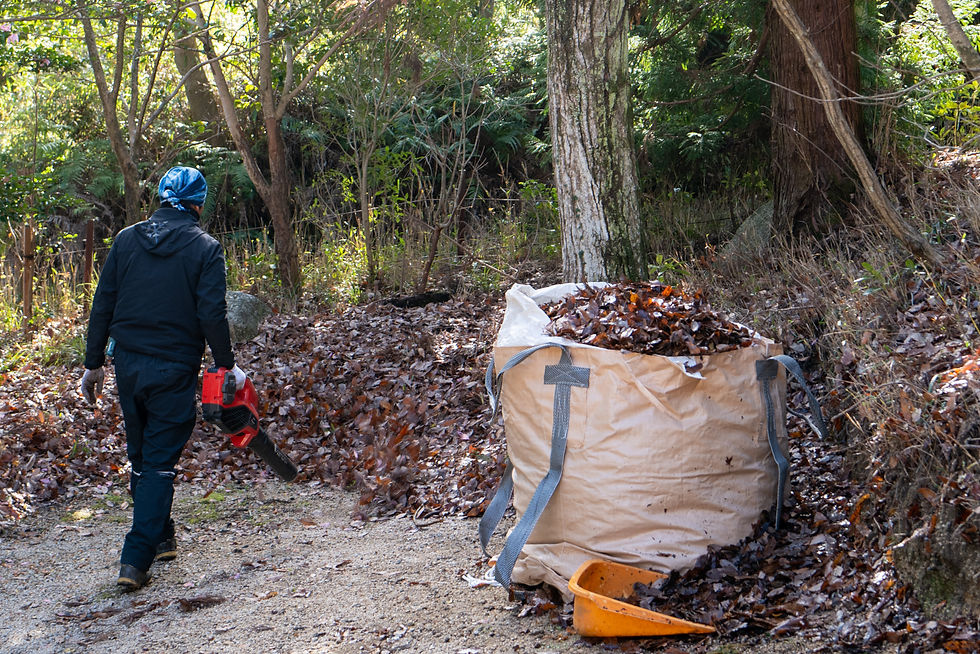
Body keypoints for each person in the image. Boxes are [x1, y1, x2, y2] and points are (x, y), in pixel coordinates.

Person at [80, 166, 246, 591]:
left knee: (142, 457)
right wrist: (225, 363)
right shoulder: (205, 248)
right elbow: (212, 313)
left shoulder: (126, 239)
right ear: (199, 203)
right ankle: (134, 560)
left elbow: (104, 304)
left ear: (161, 197)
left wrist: (93, 362)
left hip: (129, 367)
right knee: (156, 465)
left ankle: (162, 536)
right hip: (172, 368)